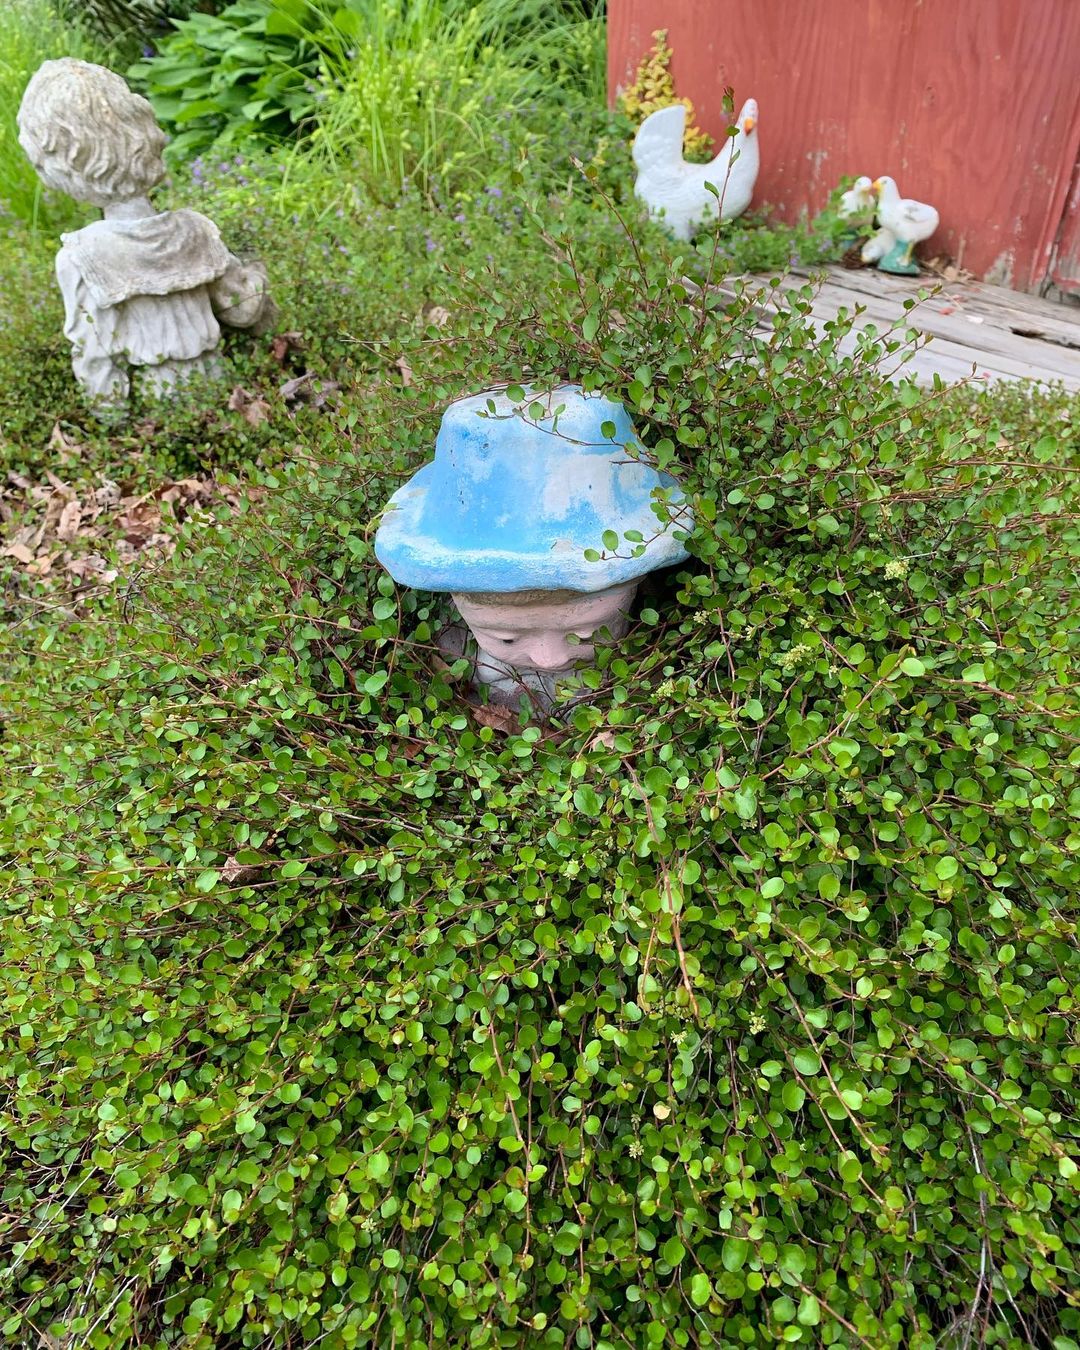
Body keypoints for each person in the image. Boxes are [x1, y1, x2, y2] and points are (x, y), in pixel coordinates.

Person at [18, 58, 274, 405]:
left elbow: (94, 356)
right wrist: (258, 275)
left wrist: (116, 429)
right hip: (220, 385)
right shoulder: (194, 229)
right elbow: (242, 310)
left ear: (60, 166)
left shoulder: (82, 256)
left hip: (158, 403)